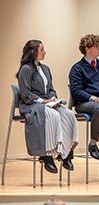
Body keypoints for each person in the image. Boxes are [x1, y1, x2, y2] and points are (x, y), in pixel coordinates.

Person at [17, 40, 78, 173]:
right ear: (33, 52)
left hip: (46, 103)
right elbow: (25, 94)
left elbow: (50, 89)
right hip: (31, 105)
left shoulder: (45, 69)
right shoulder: (25, 69)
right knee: (53, 114)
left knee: (68, 114)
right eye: (42, 49)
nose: (45, 52)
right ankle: (47, 156)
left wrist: (53, 98)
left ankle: (66, 152)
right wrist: (42, 101)